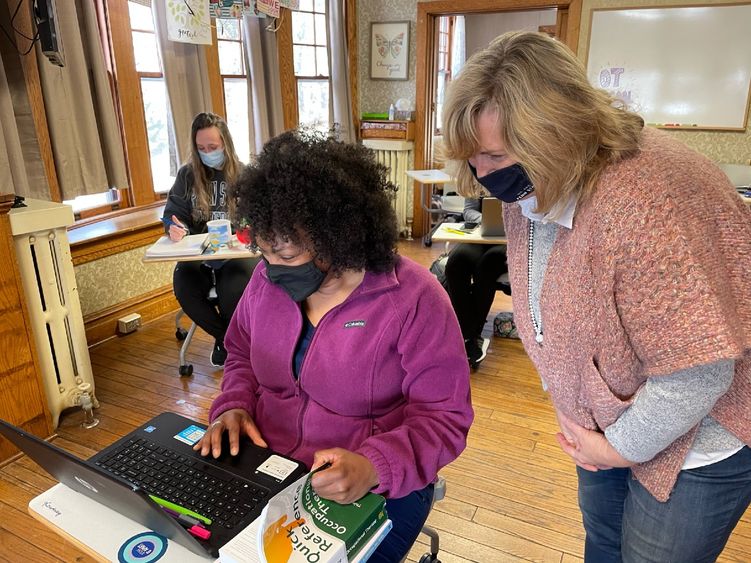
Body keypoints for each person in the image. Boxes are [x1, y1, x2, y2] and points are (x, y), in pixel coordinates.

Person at [441, 31, 751, 562]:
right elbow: (551, 305)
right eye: (474, 158)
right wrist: (582, 417)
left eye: (495, 155)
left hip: (699, 437)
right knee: (603, 546)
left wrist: (616, 448)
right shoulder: (537, 180)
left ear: (556, 133)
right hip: (605, 423)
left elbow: (697, 371)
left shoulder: (645, 202)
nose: (483, 176)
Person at [194, 130, 474, 562]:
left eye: (286, 255)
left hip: (380, 482)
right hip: (270, 465)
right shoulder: (264, 281)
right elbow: (241, 355)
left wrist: (374, 465)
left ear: (337, 238)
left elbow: (445, 418)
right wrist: (233, 403)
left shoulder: (414, 299)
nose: (271, 268)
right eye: (264, 252)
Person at [163, 112, 259, 367]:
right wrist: (175, 227)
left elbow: (260, 217)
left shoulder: (245, 174)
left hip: (236, 254)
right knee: (184, 285)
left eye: (213, 147)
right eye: (201, 148)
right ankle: (228, 340)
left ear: (225, 143)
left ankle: (232, 343)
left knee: (233, 290)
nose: (207, 152)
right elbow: (173, 214)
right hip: (198, 253)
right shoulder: (187, 176)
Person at [444, 197, 507, 368]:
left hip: (509, 239)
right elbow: (469, 210)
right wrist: (485, 221)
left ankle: (470, 336)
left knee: (487, 265)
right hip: (481, 234)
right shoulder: (477, 175)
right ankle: (470, 336)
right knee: (456, 263)